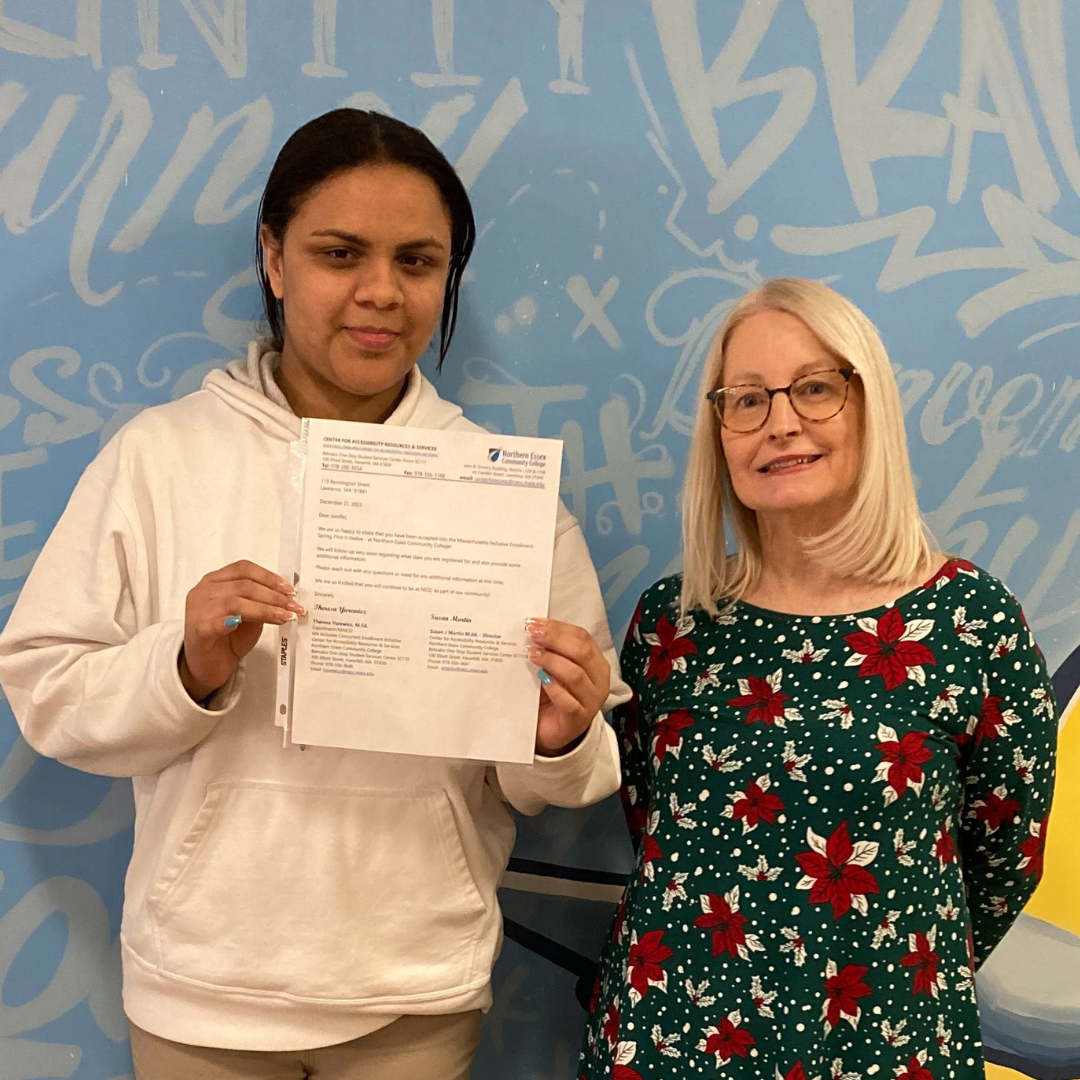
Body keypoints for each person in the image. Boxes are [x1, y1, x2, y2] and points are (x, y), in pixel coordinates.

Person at [0, 109, 629, 1080]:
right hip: (200, 992)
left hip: (412, 990)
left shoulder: (503, 496)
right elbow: (45, 687)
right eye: (341, 253)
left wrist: (558, 736)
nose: (380, 292)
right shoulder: (159, 460)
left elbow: (568, 777)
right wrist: (185, 667)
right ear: (274, 256)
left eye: (418, 262)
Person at [579, 278, 1056, 1080]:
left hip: (884, 1047)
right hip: (670, 1048)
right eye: (747, 400)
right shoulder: (674, 624)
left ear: (869, 406)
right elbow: (657, 830)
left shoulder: (969, 620)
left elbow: (1004, 857)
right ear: (718, 430)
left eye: (814, 388)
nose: (782, 423)